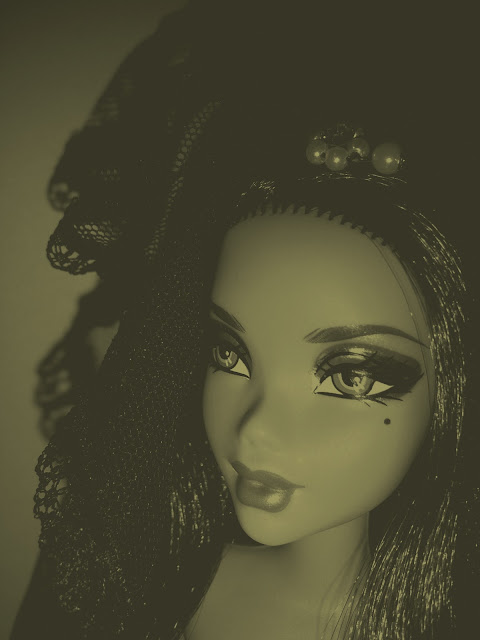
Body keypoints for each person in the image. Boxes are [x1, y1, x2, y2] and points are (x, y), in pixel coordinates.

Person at [11, 3, 479, 639]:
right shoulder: (145, 592)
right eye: (228, 355)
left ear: (454, 387)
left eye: (350, 378)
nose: (254, 431)